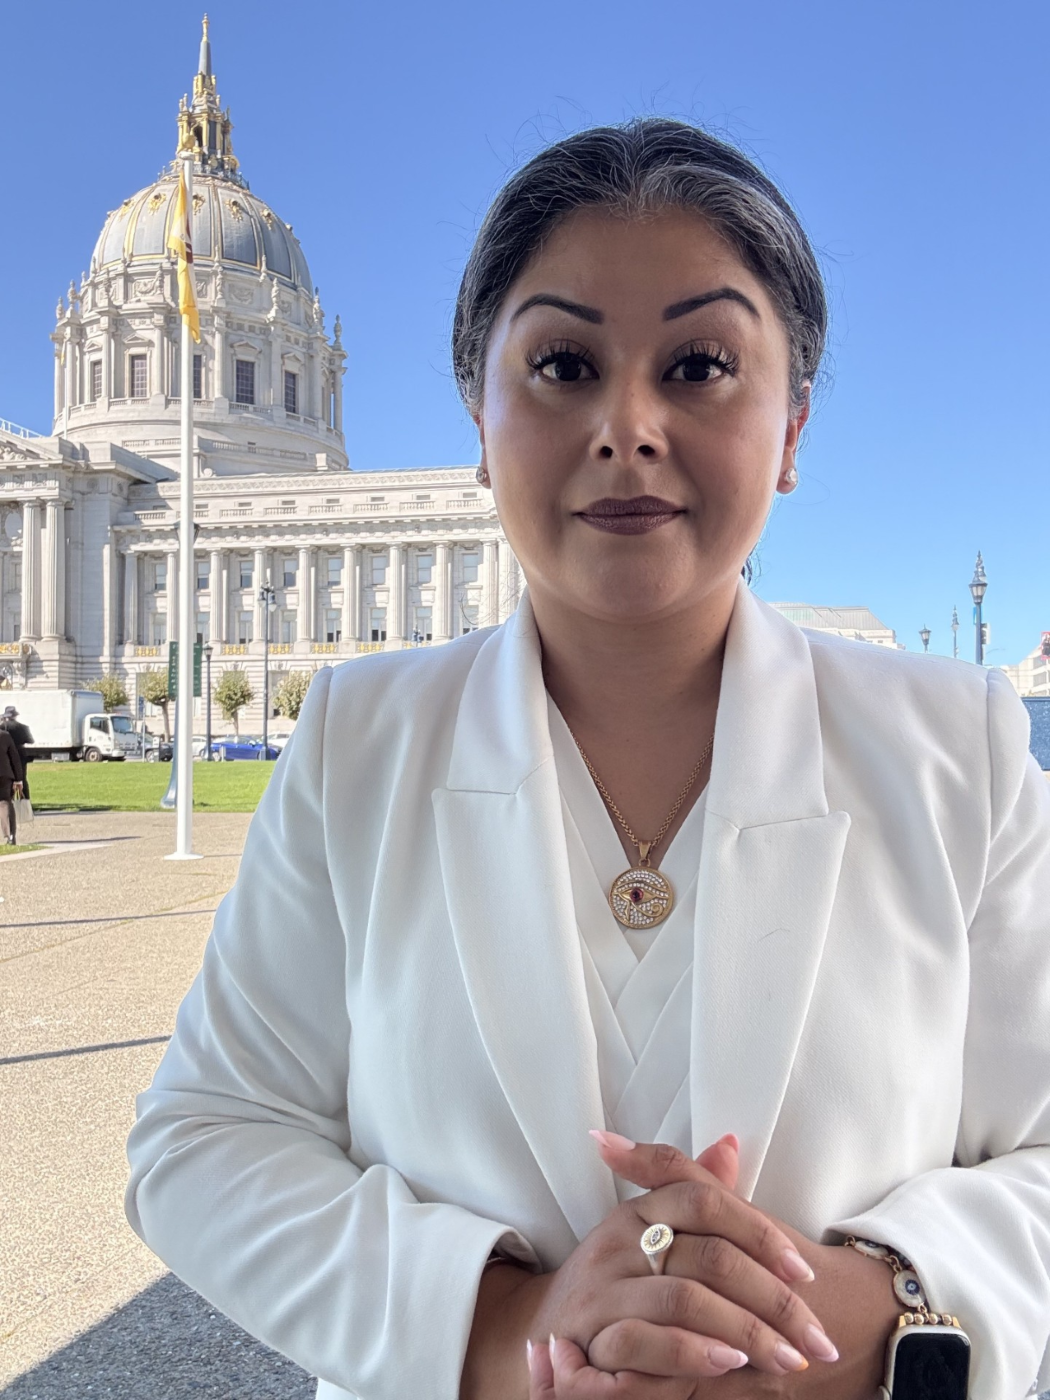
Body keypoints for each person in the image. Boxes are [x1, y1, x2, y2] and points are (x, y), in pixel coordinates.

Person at [125, 119, 1050, 1400]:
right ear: (481, 419)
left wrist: (866, 1314)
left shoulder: (961, 746)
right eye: (563, 362)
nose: (627, 423)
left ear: (790, 429)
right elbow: (204, 1137)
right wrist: (505, 1327)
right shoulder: (357, 741)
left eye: (702, 364)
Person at [1, 705, 34, 801]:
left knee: (8, 777)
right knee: (22, 777)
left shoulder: (2, 727)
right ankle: (25, 799)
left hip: (5, 754)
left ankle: (8, 798)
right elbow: (30, 740)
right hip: (20, 753)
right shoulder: (23, 727)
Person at [0, 723, 24, 844]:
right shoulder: (5, 736)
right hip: (4, 775)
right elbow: (14, 758)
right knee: (5, 804)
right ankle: (10, 836)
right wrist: (19, 779)